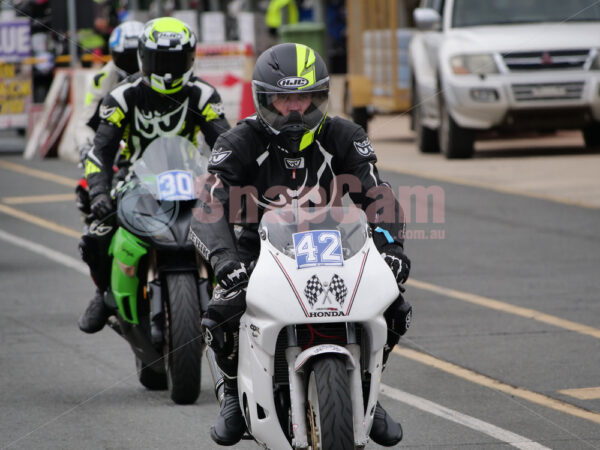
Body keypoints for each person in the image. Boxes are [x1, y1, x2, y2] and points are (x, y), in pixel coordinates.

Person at [189, 43, 412, 447]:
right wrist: (223, 260)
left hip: (332, 245)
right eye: (283, 98)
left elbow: (378, 194)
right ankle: (232, 400)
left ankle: (366, 391)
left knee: (395, 307)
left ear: (318, 96)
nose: (294, 108)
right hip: (257, 247)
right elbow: (210, 206)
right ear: (265, 98)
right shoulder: (238, 140)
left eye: (303, 97)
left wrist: (391, 247)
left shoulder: (345, 134)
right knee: (220, 312)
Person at [78, 17, 231, 334]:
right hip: (136, 177)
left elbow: (227, 144)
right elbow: (101, 150)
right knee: (97, 232)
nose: (168, 69)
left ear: (190, 58)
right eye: (160, 60)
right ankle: (104, 294)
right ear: (143, 58)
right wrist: (99, 193)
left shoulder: (203, 95)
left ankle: (237, 290)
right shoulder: (122, 96)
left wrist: (237, 183)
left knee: (241, 225)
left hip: (191, 177)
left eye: (176, 60)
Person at [74, 20, 144, 218]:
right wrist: (87, 148)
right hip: (116, 139)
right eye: (126, 57)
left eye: (136, 56)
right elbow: (86, 122)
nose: (133, 63)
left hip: (151, 144)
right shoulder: (103, 79)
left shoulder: (164, 76)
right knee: (88, 192)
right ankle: (96, 231)